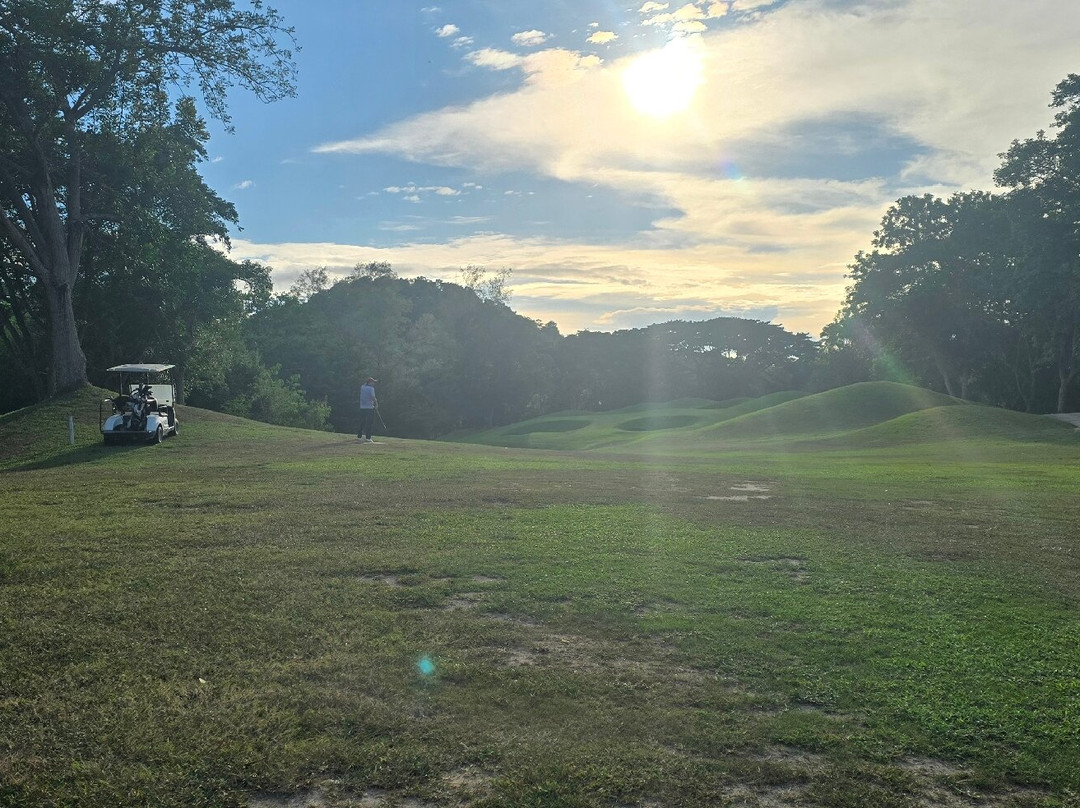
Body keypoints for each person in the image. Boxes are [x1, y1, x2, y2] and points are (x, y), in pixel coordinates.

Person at [358, 377, 378, 442]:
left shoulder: (362, 387)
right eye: (373, 382)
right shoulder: (371, 389)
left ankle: (359, 435)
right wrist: (376, 404)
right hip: (369, 408)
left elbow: (364, 384)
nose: (374, 383)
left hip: (362, 407)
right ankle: (368, 438)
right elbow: (373, 397)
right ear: (370, 383)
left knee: (362, 422)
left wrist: (367, 382)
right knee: (369, 423)